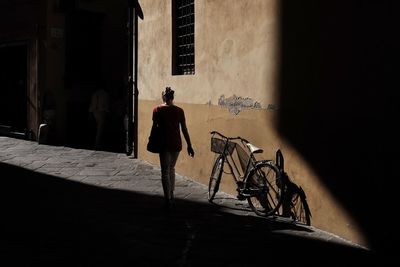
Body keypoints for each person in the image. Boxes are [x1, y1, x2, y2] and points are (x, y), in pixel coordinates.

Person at [151, 87, 195, 209]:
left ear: (163, 97)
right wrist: (189, 145)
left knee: (165, 171)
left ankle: (167, 199)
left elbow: (154, 127)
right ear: (172, 97)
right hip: (176, 144)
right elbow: (184, 129)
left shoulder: (157, 110)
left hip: (164, 143)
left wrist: (151, 140)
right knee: (171, 168)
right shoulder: (179, 111)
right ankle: (171, 194)